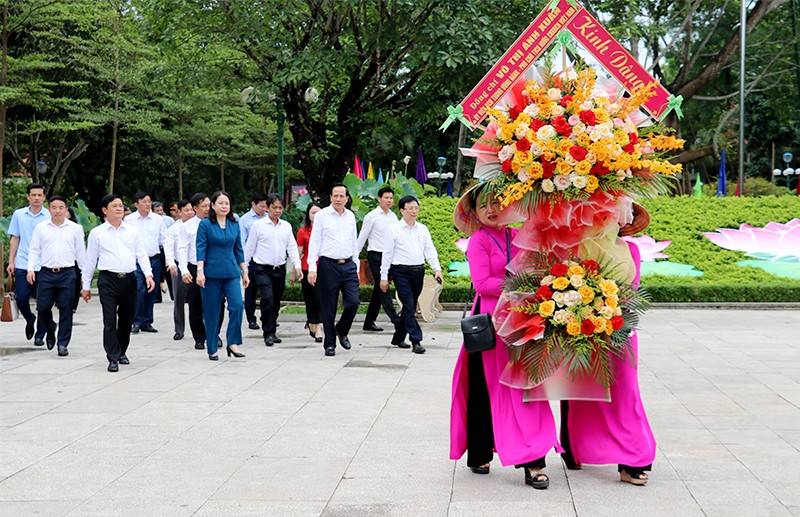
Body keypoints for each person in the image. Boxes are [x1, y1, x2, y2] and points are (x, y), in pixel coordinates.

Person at [449, 187, 561, 489]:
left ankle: (532, 456)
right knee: (491, 391)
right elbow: (482, 283)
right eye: (483, 205)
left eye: (496, 202)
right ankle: (498, 454)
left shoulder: (516, 236)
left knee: (524, 388)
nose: (491, 209)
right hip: (492, 324)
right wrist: (521, 282)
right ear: (474, 212)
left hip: (522, 319)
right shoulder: (479, 241)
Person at [558, 203, 656, 486]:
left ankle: (633, 457)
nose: (606, 218)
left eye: (614, 213)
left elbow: (632, 292)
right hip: (584, 329)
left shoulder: (631, 251)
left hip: (619, 330)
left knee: (626, 393)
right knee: (579, 391)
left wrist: (612, 312)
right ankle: (575, 447)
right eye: (601, 212)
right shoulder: (577, 247)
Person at [82, 194, 155, 372]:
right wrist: (85, 286)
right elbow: (90, 260)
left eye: (121, 205)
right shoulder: (97, 233)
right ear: (105, 210)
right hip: (108, 280)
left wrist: (148, 274)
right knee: (109, 320)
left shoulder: (132, 231)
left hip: (129, 279)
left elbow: (141, 254)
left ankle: (122, 351)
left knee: (126, 319)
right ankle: (112, 357)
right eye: (114, 206)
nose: (119, 208)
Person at [379, 196, 442, 354]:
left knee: (410, 306)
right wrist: (384, 277)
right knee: (408, 305)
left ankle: (398, 338)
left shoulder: (422, 229)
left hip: (418, 271)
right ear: (402, 210)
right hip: (400, 271)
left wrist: (437, 269)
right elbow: (387, 254)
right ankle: (416, 340)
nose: (414, 211)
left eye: (416, 208)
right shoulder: (394, 229)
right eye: (410, 208)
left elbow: (430, 250)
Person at [26, 195, 86, 356]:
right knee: (42, 307)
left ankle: (63, 343)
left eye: (61, 207)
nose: (57, 211)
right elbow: (34, 249)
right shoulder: (41, 227)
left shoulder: (75, 228)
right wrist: (30, 268)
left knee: (66, 308)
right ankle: (50, 327)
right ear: (49, 209)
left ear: (66, 209)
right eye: (54, 207)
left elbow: (80, 253)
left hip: (67, 273)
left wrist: (84, 275)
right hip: (46, 273)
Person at [307, 183, 359, 357]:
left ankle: (342, 329)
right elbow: (315, 241)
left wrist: (356, 266)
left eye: (341, 196)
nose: (338, 199)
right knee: (329, 307)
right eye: (335, 196)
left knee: (353, 302)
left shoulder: (351, 216)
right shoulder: (322, 216)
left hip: (349, 264)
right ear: (330, 197)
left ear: (347, 198)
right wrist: (312, 267)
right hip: (328, 265)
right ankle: (330, 343)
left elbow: (354, 241)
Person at [195, 191, 248, 360]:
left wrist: (244, 271)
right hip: (211, 273)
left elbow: (238, 248)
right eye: (221, 203)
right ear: (213, 206)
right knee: (212, 311)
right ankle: (211, 347)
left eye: (227, 203)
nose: (224, 206)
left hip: (231, 271)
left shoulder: (234, 223)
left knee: (237, 305)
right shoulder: (205, 225)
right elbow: (200, 248)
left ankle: (233, 342)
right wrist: (200, 271)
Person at [244, 194, 302, 346]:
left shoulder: (286, 226)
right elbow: (250, 248)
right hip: (261, 268)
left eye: (280, 208)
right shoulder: (258, 226)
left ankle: (273, 330)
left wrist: (297, 265)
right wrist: (244, 269)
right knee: (267, 298)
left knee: (276, 301)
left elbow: (292, 247)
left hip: (279, 269)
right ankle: (267, 333)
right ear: (267, 208)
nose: (277, 211)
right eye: (274, 207)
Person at [177, 193, 223, 350]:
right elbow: (182, 250)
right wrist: (184, 270)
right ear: (195, 208)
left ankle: (214, 333)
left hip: (214, 268)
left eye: (209, 205)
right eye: (204, 206)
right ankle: (199, 337)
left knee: (218, 303)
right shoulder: (187, 227)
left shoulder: (217, 223)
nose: (208, 209)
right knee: (195, 304)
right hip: (194, 268)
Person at [6, 183, 49, 344]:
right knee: (22, 298)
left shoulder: (49, 215)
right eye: (34, 195)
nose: (37, 198)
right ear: (28, 196)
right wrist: (12, 260)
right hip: (24, 263)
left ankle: (40, 334)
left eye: (40, 195)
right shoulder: (19, 215)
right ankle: (30, 319)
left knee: (43, 302)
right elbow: (15, 238)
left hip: (44, 264)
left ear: (44, 197)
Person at [357, 186, 400, 332]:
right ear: (379, 199)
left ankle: (369, 322)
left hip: (389, 256)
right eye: (386, 198)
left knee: (378, 289)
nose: (389, 201)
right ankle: (396, 321)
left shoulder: (393, 217)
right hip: (375, 255)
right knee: (384, 287)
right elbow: (362, 237)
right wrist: (354, 258)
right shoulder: (371, 216)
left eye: (391, 198)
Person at [125, 192, 165, 333]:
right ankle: (136, 321)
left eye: (149, 201)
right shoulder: (129, 220)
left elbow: (163, 239)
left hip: (154, 259)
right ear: (136, 204)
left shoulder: (158, 220)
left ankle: (147, 321)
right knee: (139, 289)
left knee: (151, 291)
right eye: (144, 201)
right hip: (136, 261)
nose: (148, 204)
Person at [164, 199, 194, 341]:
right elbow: (168, 247)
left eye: (191, 210)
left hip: (195, 265)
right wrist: (171, 263)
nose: (189, 213)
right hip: (178, 266)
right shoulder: (173, 229)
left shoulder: (199, 226)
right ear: (179, 212)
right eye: (186, 210)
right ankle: (179, 329)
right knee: (179, 298)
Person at [239, 192, 268, 330]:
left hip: (265, 260)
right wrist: (244, 263)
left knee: (267, 291)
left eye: (265, 206)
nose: (264, 209)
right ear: (253, 205)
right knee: (251, 290)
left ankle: (267, 317)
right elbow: (242, 242)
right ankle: (251, 318)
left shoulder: (269, 218)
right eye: (261, 206)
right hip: (251, 261)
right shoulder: (244, 220)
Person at [296, 202, 323, 343]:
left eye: (318, 212)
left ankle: (312, 322)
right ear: (308, 214)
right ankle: (316, 326)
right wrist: (295, 271)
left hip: (323, 268)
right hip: (307, 268)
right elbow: (298, 253)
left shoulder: (326, 230)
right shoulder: (303, 232)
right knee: (311, 299)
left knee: (320, 298)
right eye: (313, 212)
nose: (315, 215)